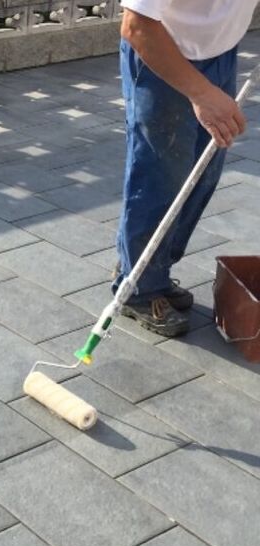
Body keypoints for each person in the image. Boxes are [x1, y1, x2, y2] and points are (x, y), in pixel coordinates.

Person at [114, 1, 258, 336]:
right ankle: (139, 289)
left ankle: (150, 266)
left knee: (204, 173)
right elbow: (137, 26)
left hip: (220, 50)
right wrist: (203, 94)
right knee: (162, 176)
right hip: (161, 52)